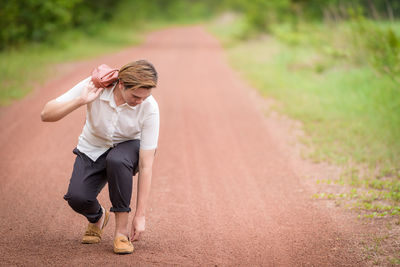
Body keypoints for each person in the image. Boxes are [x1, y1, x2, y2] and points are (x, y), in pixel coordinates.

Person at [40, 60, 159, 254]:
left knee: (117, 160)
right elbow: (46, 114)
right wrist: (81, 101)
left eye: (145, 97)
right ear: (121, 84)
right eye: (136, 96)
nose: (140, 102)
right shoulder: (94, 85)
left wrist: (141, 215)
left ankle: (121, 233)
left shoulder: (149, 107)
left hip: (128, 148)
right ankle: (97, 217)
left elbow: (146, 164)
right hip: (93, 147)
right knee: (77, 198)